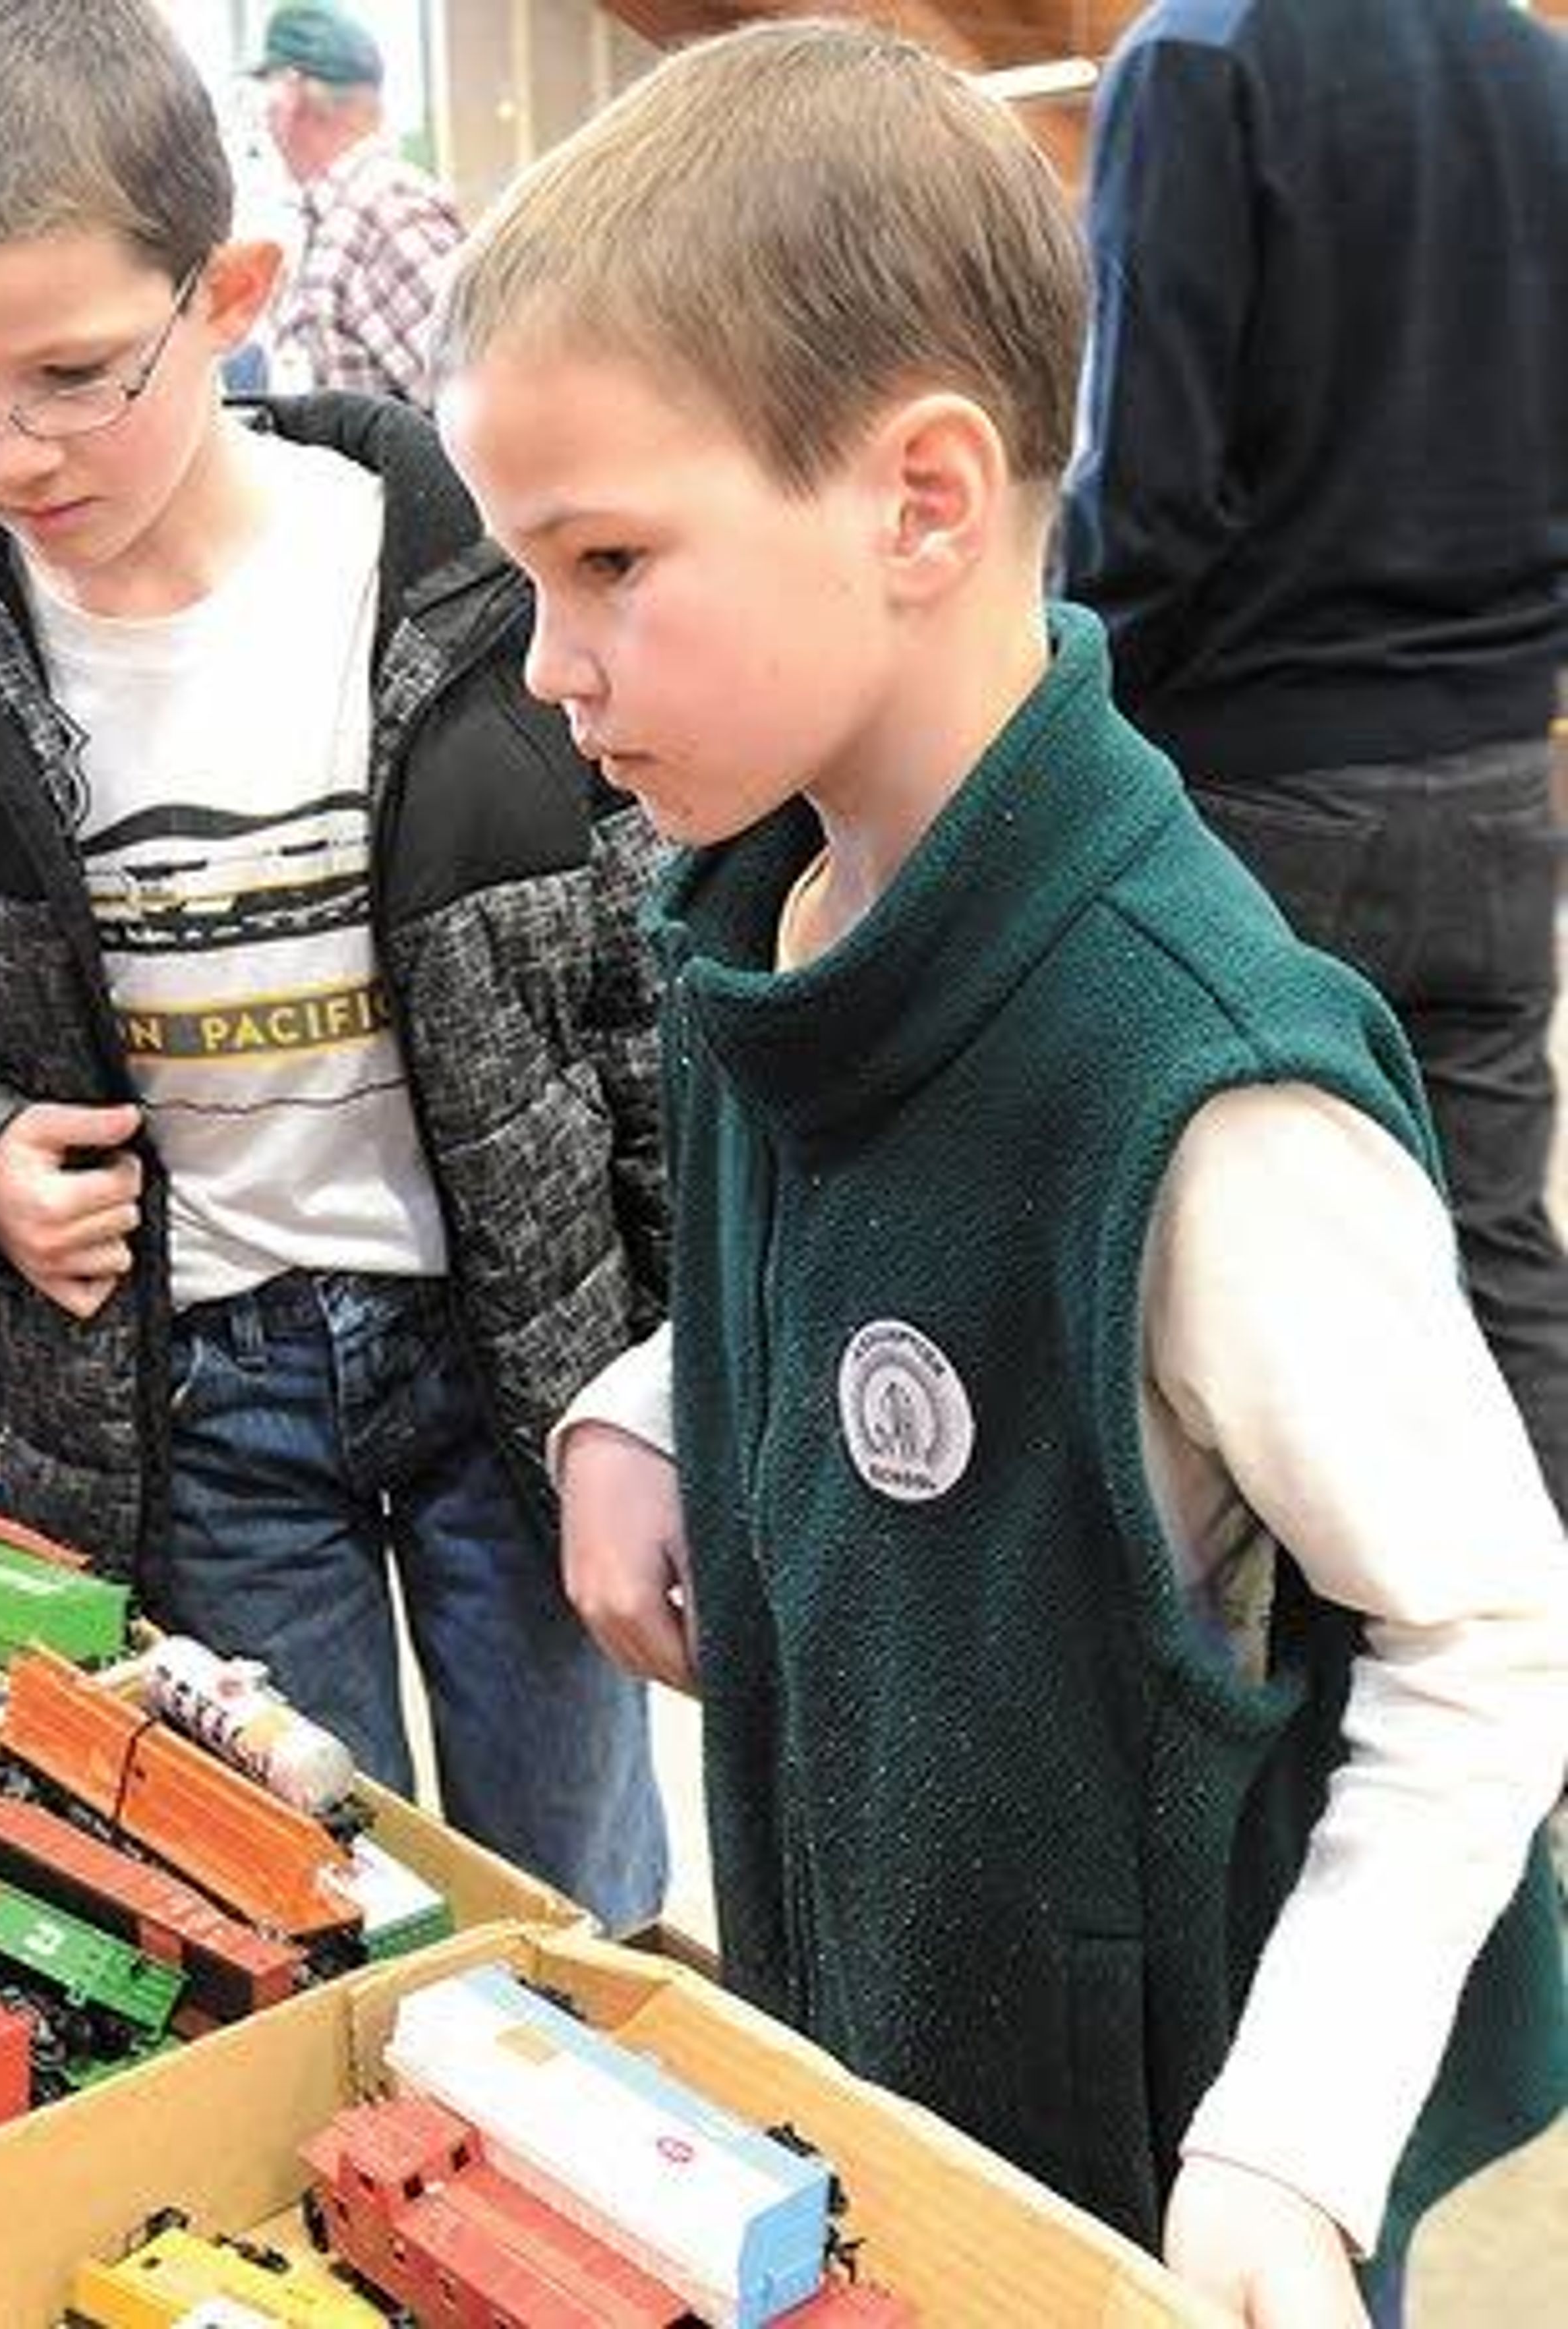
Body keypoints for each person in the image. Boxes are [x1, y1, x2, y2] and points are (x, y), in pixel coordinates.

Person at [431, 21, 1568, 2324]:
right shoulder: (778, 907)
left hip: (1142, 2175)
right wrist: (642, 1402)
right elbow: (839, 1234)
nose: (549, 665)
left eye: (609, 560)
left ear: (924, 500)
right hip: (873, 2046)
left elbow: (1490, 1621)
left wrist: (1290, 2141)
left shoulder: (1200, 1089)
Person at [0, 0, 670, 1931]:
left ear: (228, 288)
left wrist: (673, 1375)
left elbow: (639, 987)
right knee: (301, 1878)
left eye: (76, 373)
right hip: (185, 1388)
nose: (8, 448)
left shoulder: (464, 573)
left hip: (512, 1345)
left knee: (561, 1873)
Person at [1062, 0, 1568, 1520]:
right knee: (1488, 1262)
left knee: (1207, 1294)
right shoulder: (1532, 72)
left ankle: (1248, 1738)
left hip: (1255, 797)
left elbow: (1145, 493)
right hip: (1491, 773)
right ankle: (1531, 1706)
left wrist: (1043, 692)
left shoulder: (1198, 57)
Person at [247, 3, 462, 405]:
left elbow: (473, 394)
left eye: (267, 85)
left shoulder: (385, 208)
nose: (263, 112)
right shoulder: (343, 212)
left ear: (291, 93)